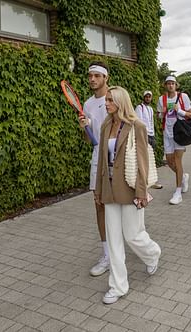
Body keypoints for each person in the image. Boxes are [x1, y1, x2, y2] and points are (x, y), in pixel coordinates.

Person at [95, 86, 161, 304]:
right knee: (114, 240)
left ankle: (152, 254)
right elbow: (102, 160)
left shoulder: (137, 126)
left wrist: (142, 191)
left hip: (131, 187)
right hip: (109, 189)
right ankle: (117, 286)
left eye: (111, 100)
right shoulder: (106, 125)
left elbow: (142, 162)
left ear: (121, 102)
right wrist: (98, 189)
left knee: (133, 234)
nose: (107, 104)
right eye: (106, 100)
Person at [79, 61, 110, 276]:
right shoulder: (88, 104)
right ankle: (107, 254)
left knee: (121, 206)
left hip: (116, 157)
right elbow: (89, 140)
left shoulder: (115, 97)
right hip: (97, 157)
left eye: (97, 76)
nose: (92, 79)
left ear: (105, 78)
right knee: (99, 204)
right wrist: (85, 128)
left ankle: (136, 243)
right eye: (90, 75)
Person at [156, 76, 191, 205]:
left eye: (173, 83)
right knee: (169, 162)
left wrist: (181, 111)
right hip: (167, 134)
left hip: (180, 133)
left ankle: (178, 192)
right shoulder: (161, 99)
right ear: (165, 85)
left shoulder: (183, 97)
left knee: (178, 161)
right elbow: (159, 116)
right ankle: (183, 176)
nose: (171, 85)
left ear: (176, 85)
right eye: (168, 83)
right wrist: (161, 113)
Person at [135, 90, 163, 189]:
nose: (148, 98)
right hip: (144, 135)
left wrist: (153, 135)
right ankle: (144, 181)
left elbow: (151, 123)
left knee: (151, 159)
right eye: (146, 97)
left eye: (149, 97)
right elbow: (138, 123)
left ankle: (152, 181)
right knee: (144, 159)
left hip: (152, 135)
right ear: (143, 97)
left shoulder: (151, 109)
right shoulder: (139, 108)